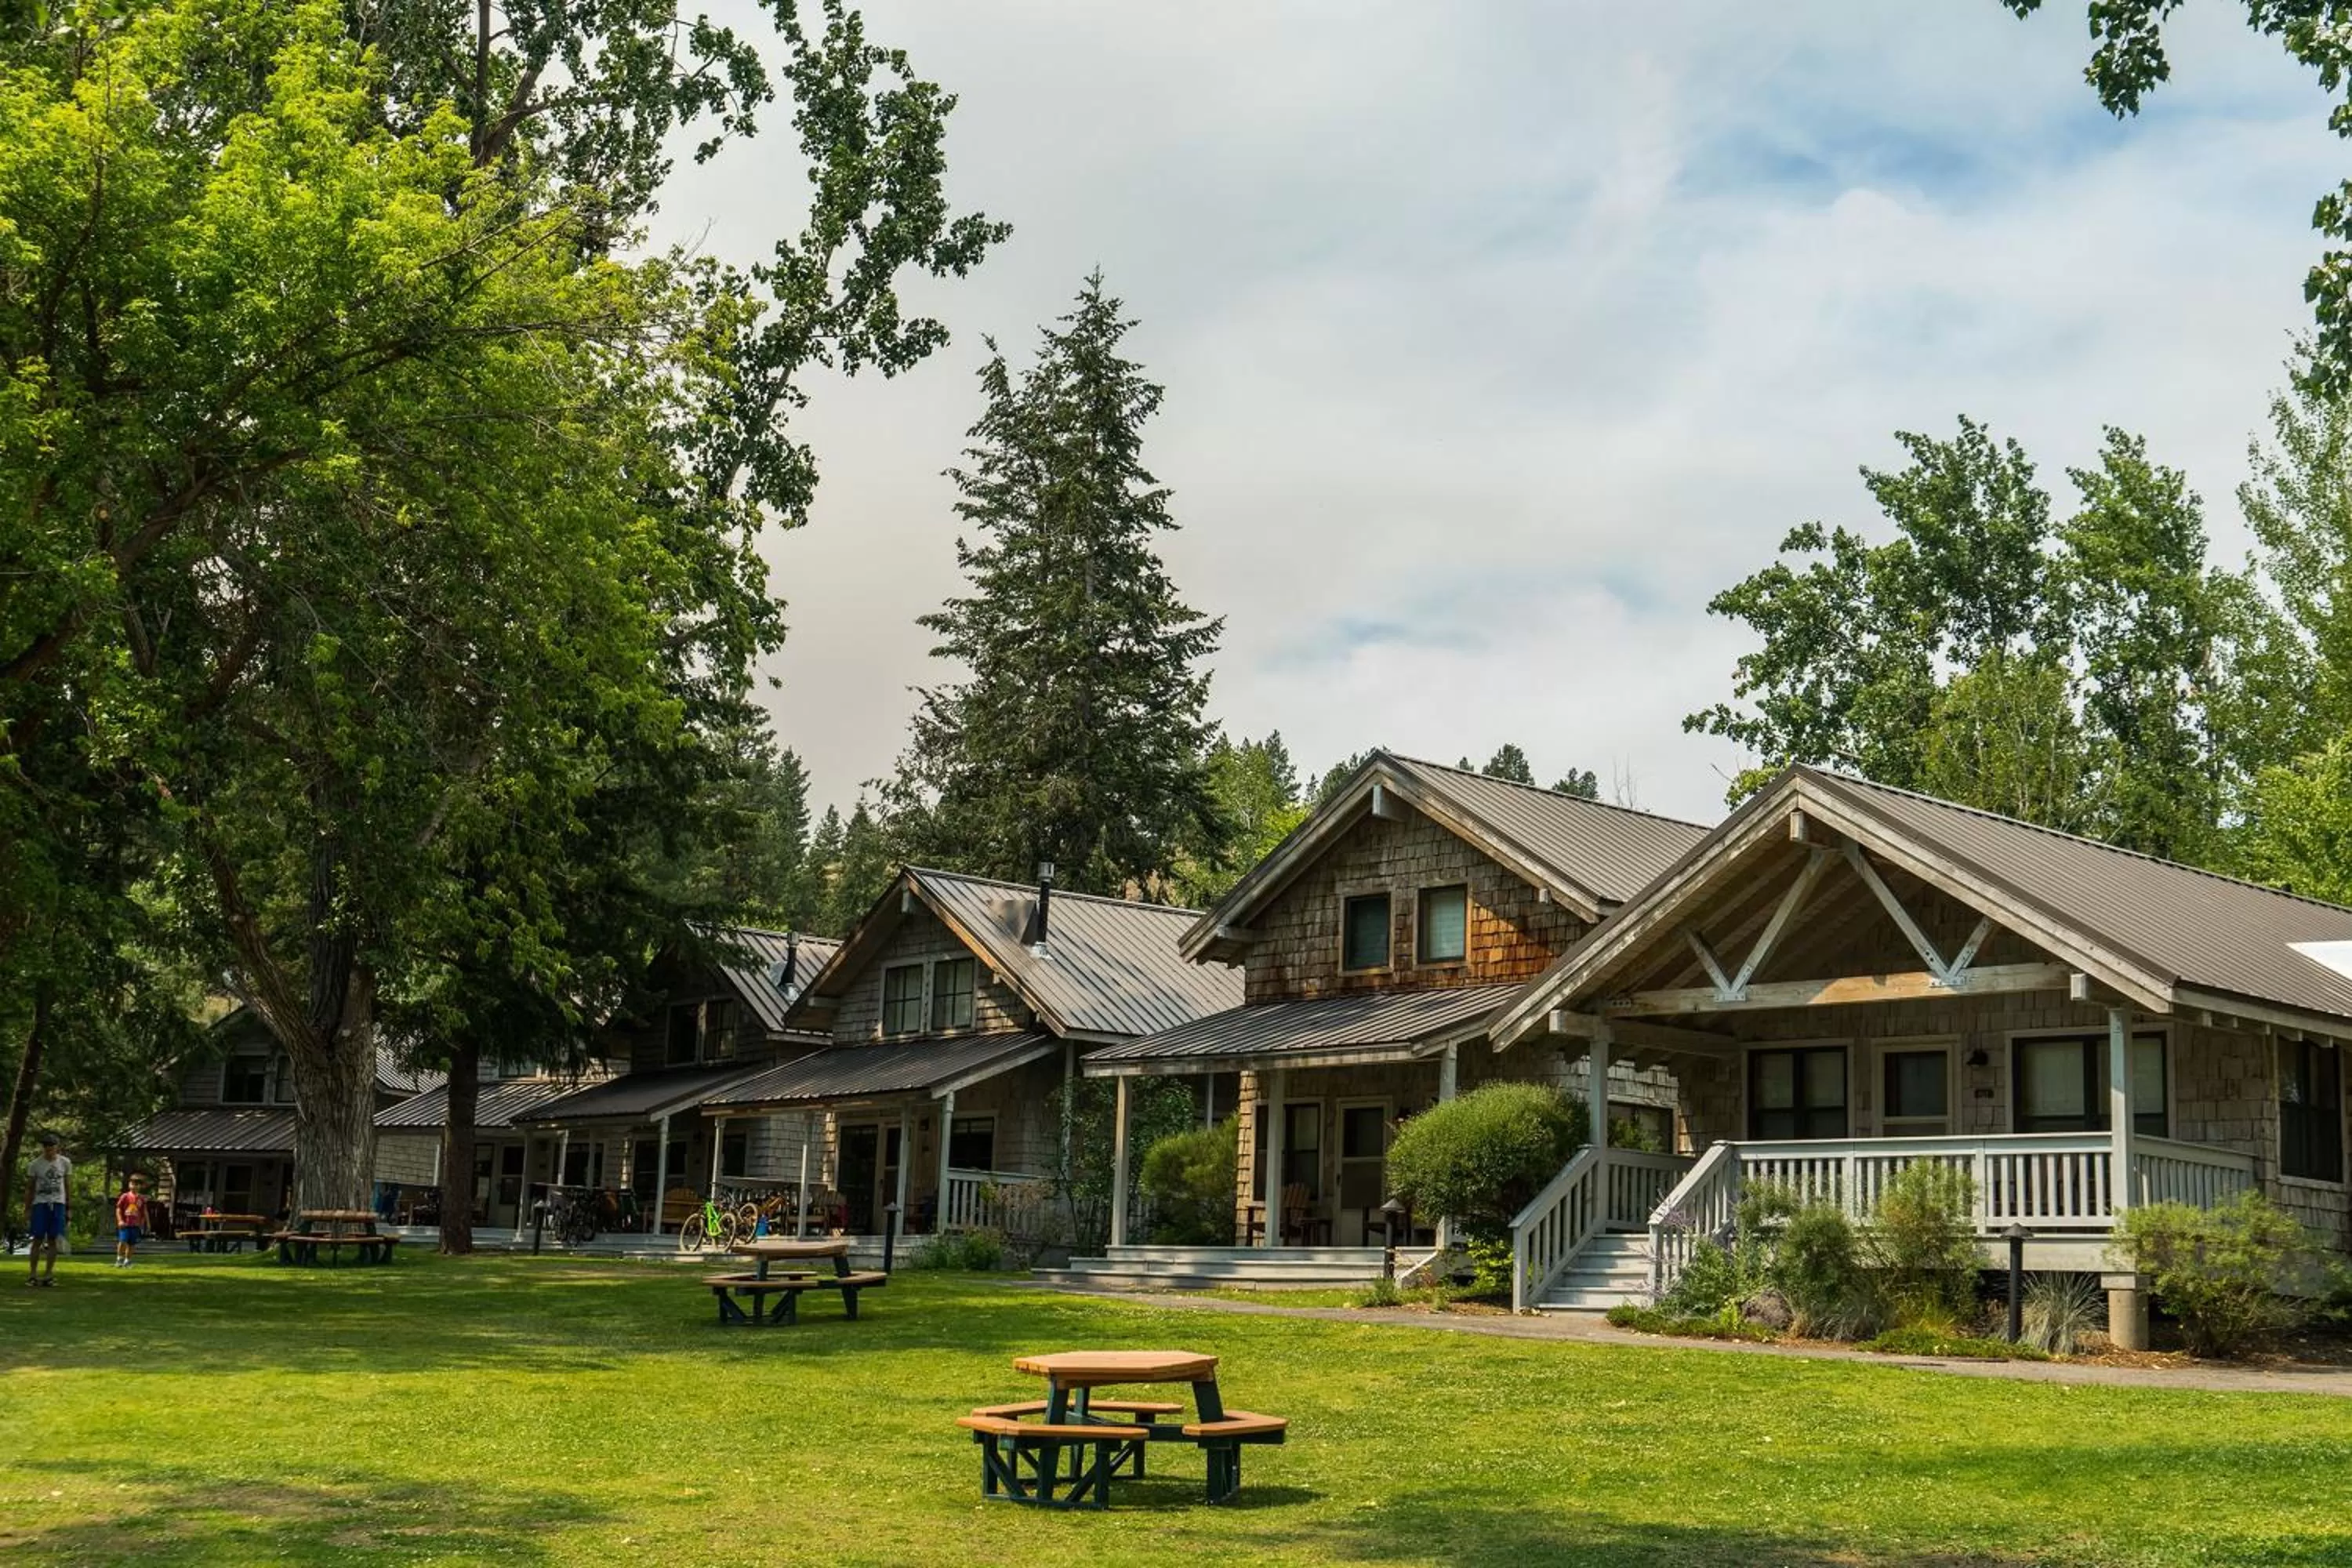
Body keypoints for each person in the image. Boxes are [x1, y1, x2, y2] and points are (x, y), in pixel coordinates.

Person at [25, 1132, 69, 1287]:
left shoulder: (64, 1163)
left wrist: (68, 1206)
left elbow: (67, 1185)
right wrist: (28, 1208)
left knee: (53, 1239)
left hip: (58, 1203)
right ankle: (32, 1274)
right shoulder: (35, 1165)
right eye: (46, 1146)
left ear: (57, 1147)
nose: (48, 1149)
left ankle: (48, 1274)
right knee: (37, 1239)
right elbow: (30, 1188)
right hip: (40, 1203)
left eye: (51, 1146)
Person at [114, 1176, 149, 1269]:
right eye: (132, 1184)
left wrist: (146, 1223)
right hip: (125, 1224)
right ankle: (119, 1259)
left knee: (132, 1244)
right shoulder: (125, 1196)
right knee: (123, 1241)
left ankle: (127, 1261)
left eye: (137, 1184)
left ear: (140, 1186)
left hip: (135, 1225)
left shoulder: (142, 1198)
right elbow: (118, 1209)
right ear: (129, 1185)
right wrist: (120, 1220)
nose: (134, 1186)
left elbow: (144, 1212)